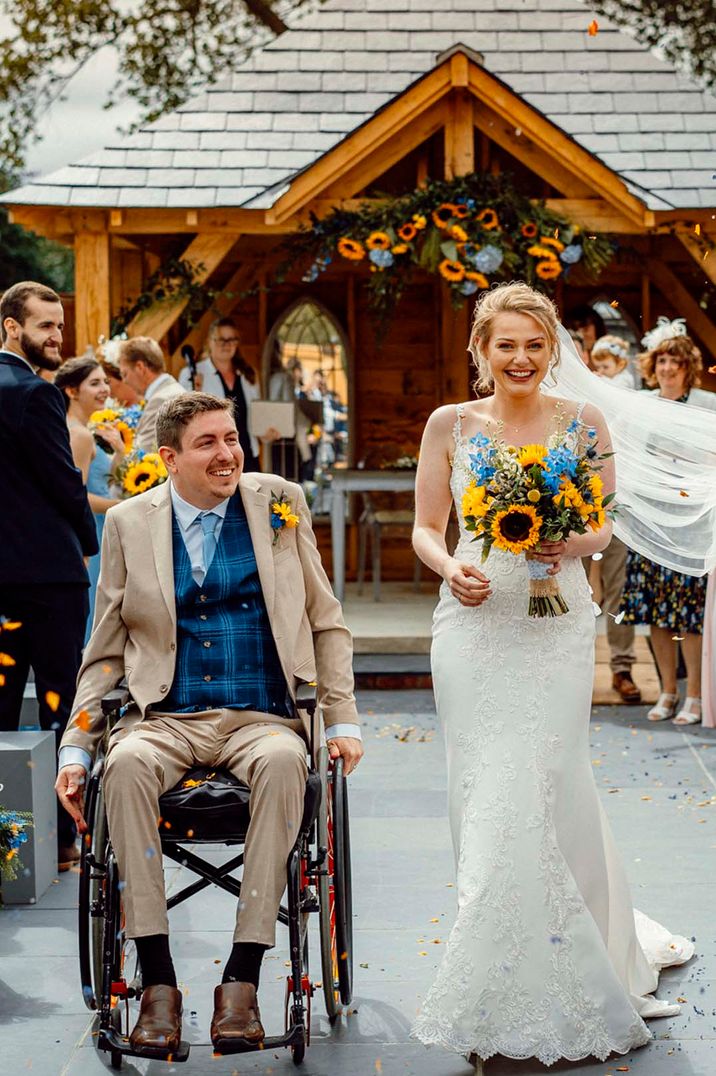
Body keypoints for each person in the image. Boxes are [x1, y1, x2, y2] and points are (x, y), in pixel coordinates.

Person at [411, 283, 692, 1067]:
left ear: (553, 348)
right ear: (481, 350)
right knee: (484, 789)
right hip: (472, 622)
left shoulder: (585, 422)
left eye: (535, 344)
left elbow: (601, 523)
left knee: (548, 782)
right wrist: (449, 568)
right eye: (506, 344)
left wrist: (566, 543)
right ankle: (497, 959)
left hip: (554, 625)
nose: (521, 358)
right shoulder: (451, 425)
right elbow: (428, 528)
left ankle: (575, 953)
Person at [55, 392, 362, 1055]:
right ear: (169, 458)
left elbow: (325, 618)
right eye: (208, 444)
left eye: (231, 439)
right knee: (126, 764)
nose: (228, 454)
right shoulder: (130, 524)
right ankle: (158, 983)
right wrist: (76, 746)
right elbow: (104, 652)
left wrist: (342, 720)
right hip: (165, 716)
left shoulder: (278, 502)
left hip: (261, 715)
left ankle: (242, 979)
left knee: (287, 763)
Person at [0, 281, 98, 872]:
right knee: (64, 709)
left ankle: (9, 850)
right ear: (12, 327)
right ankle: (65, 839)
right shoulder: (34, 395)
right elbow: (65, 482)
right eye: (45, 327)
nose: (57, 337)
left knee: (2, 713)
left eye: (60, 326)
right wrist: (90, 547)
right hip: (50, 580)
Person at [622, 319, 716, 725]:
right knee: (657, 613)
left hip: (692, 525)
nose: (667, 368)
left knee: (689, 615)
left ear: (687, 366)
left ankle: (694, 694)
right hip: (650, 524)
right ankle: (667, 690)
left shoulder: (706, 406)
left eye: (675, 360)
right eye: (661, 360)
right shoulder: (639, 404)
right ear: (652, 364)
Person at [54, 357, 126, 641]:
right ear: (72, 391)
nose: (105, 389)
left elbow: (105, 479)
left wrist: (119, 451)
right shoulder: (79, 435)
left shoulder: (86, 430)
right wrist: (124, 507)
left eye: (106, 382)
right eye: (94, 383)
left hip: (99, 526)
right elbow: (76, 496)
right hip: (91, 531)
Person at [178, 317, 261, 471]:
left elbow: (257, 414)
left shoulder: (248, 374)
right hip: (215, 456)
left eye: (232, 340)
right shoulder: (193, 373)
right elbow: (183, 416)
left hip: (248, 452)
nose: (226, 345)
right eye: (221, 339)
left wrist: (266, 432)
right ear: (210, 341)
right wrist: (193, 389)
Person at [118, 336, 185, 452]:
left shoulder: (160, 400)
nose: (125, 381)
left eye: (125, 374)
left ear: (140, 367)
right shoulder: (171, 390)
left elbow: (143, 451)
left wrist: (118, 447)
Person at [565, 303, 606, 367]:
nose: (580, 333)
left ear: (597, 327)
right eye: (575, 329)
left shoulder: (608, 352)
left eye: (585, 328)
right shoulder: (571, 354)